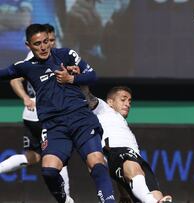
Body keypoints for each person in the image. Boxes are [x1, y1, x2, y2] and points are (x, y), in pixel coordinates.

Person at [0, 24, 115, 203]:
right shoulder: (25, 67)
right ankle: (66, 201)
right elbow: (4, 74)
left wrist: (72, 79)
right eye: (37, 44)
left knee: (97, 163)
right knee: (49, 170)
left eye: (46, 41)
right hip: (54, 127)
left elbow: (92, 76)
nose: (43, 47)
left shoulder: (66, 55)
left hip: (81, 118)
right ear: (28, 45)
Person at [0, 23, 71, 197]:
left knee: (33, 156)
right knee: (59, 155)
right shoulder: (41, 58)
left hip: (32, 116)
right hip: (45, 115)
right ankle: (66, 200)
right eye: (48, 40)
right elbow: (14, 79)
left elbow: (14, 78)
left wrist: (26, 98)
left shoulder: (34, 56)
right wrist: (25, 97)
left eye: (51, 41)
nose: (49, 45)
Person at [76, 85, 172, 203]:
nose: (127, 104)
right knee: (133, 168)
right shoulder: (103, 108)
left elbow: (122, 171)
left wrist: (123, 194)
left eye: (129, 101)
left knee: (157, 195)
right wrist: (76, 77)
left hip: (134, 158)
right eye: (123, 99)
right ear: (110, 102)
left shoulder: (124, 127)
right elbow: (86, 94)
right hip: (115, 151)